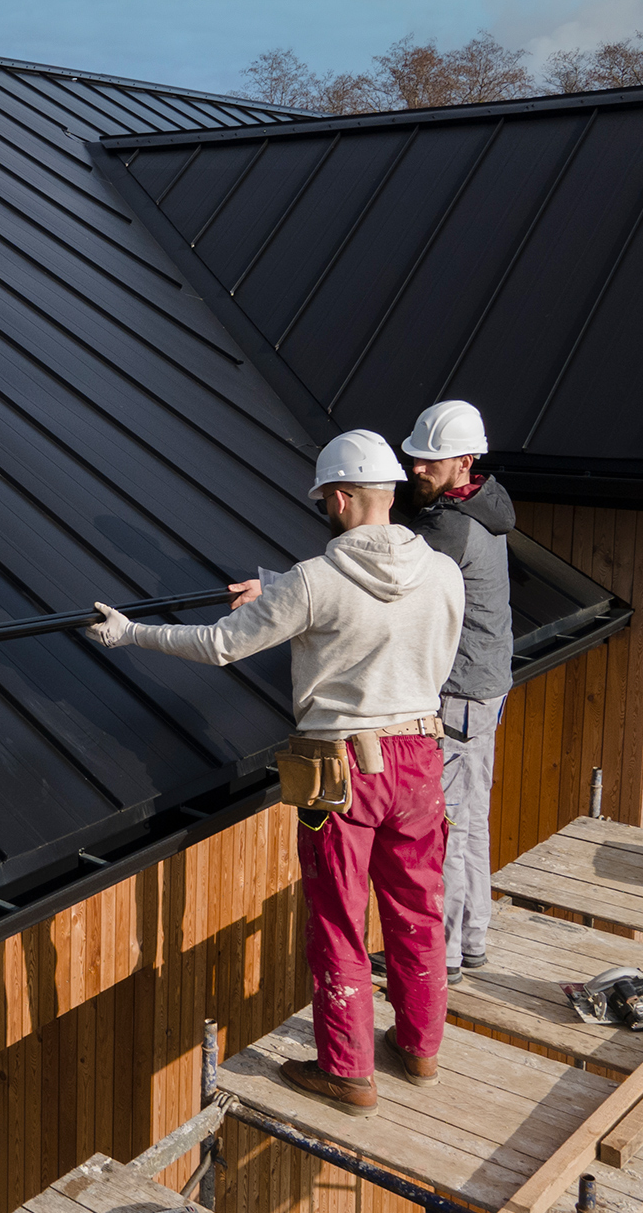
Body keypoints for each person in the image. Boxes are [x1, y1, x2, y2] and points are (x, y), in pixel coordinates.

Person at [86, 430, 462, 1115]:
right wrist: (282, 588)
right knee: (417, 908)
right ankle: (420, 1048)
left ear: (342, 497)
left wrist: (129, 634)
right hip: (421, 759)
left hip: (344, 768)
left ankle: (347, 1072)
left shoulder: (316, 581)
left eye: (325, 498)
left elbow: (222, 645)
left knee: (340, 919)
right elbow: (379, 612)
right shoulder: (442, 570)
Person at [384, 400, 514, 987]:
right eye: (415, 458)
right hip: (483, 688)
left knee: (451, 824)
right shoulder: (485, 504)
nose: (416, 469)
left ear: (464, 460)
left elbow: (392, 574)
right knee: (473, 817)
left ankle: (447, 955)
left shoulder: (450, 528)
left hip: (459, 694)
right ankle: (474, 938)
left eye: (429, 460)